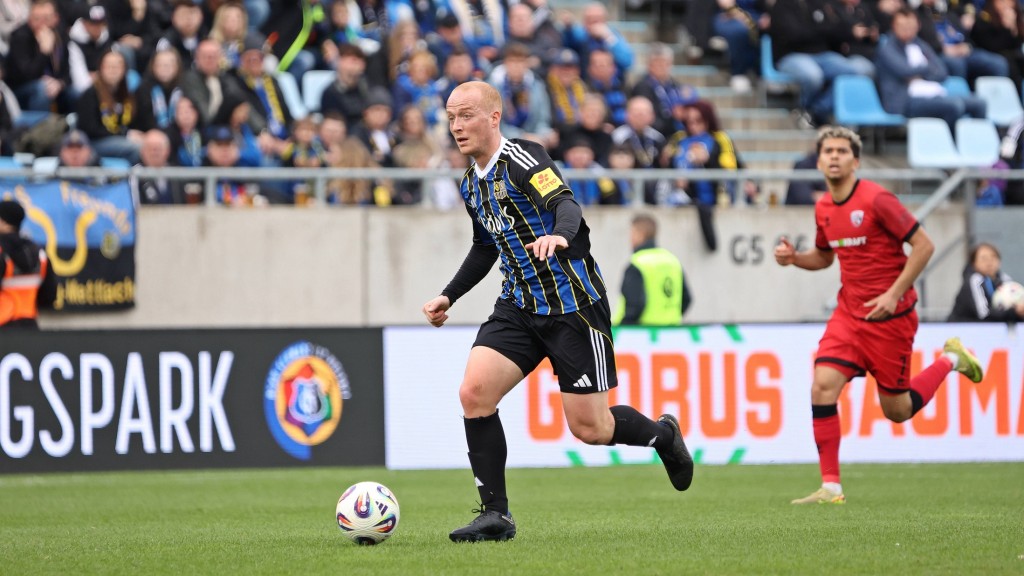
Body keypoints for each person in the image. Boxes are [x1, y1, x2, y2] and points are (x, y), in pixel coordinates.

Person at [422, 81, 693, 543]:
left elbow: (565, 203)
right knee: (474, 393)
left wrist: (561, 236)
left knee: (591, 427)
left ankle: (663, 437)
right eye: (450, 117)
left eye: (466, 115)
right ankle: (496, 516)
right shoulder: (470, 183)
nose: (457, 126)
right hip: (518, 305)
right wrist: (450, 295)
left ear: (493, 116)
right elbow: (485, 246)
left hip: (573, 305)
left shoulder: (525, 158)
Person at [773, 125, 985, 505]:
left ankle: (952, 359)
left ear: (855, 160)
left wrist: (894, 293)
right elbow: (824, 257)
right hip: (849, 316)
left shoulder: (877, 200)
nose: (834, 156)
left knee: (898, 411)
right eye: (828, 151)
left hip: (891, 319)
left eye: (842, 151)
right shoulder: (823, 207)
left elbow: (923, 245)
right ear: (819, 160)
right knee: (822, 385)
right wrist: (794, 260)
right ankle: (831, 487)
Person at [613, 213, 692, 326]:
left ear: (640, 234)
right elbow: (687, 299)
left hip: (644, 336)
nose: (630, 238)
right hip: (672, 334)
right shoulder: (672, 260)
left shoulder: (638, 263)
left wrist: (621, 330)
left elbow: (634, 306)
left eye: (632, 233)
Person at [0, 198, 56, 329]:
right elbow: (49, 295)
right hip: (30, 326)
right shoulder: (39, 253)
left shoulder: (2, 251)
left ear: (4, 222)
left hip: (3, 327)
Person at [948, 242, 1024, 321]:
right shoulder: (974, 281)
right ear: (974, 263)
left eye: (993, 257)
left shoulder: (1005, 280)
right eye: (984, 258)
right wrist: (1013, 312)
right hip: (962, 329)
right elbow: (983, 314)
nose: (989, 262)